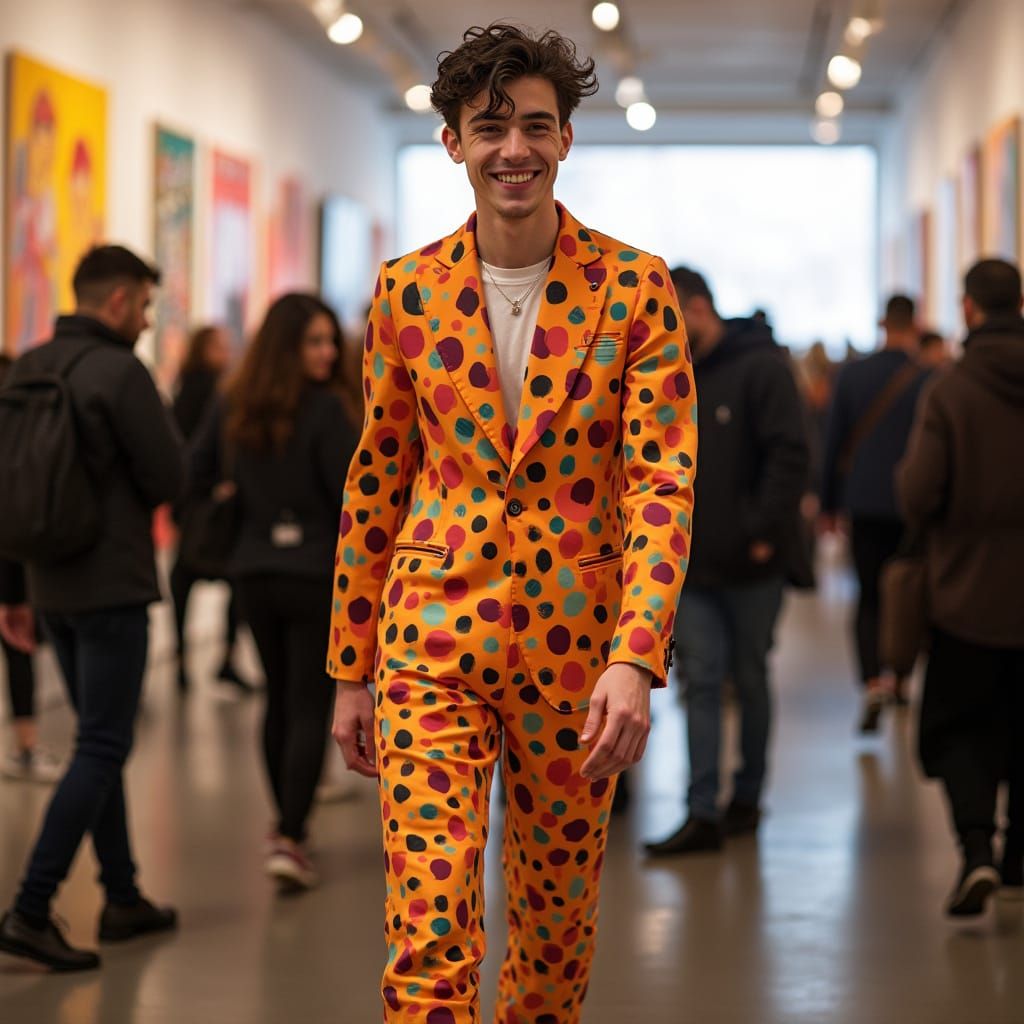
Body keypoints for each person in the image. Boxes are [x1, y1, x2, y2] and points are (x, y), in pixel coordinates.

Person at [327, 23, 697, 1024]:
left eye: (537, 126)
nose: (514, 149)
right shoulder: (405, 290)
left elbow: (662, 483)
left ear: (567, 139)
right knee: (431, 928)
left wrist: (635, 654)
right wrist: (350, 666)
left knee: (553, 926)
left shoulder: (635, 286)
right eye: (490, 127)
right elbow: (377, 481)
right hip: (428, 639)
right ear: (453, 141)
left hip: (578, 650)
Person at [0, 245, 184, 971]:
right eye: (142, 306)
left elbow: (10, 491)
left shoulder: (28, 367)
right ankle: (31, 906)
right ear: (116, 301)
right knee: (104, 744)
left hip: (49, 585)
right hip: (111, 584)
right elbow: (168, 474)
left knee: (92, 741)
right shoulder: (121, 372)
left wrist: (13, 593)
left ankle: (123, 895)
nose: (143, 320)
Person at [191, 294, 358, 891]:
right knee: (306, 704)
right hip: (313, 574)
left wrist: (234, 498)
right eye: (314, 341)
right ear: (287, 346)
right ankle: (290, 833)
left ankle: (285, 826)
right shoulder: (328, 411)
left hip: (254, 570)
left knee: (280, 701)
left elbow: (196, 474)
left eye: (329, 340)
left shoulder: (234, 405)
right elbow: (353, 498)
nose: (327, 352)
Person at [644, 268, 809, 857]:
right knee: (701, 682)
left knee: (751, 676)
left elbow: (790, 453)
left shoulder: (761, 367)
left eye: (673, 316)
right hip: (689, 565)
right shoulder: (668, 373)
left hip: (753, 564)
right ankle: (702, 810)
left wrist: (763, 530)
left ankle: (747, 797)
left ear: (699, 308)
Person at [897, 259, 1024, 917]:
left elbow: (918, 494)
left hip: (967, 593)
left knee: (962, 728)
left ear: (969, 309)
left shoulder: (949, 392)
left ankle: (977, 850)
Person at [819, 294, 930, 732]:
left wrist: (828, 503)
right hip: (911, 505)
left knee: (868, 596)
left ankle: (871, 683)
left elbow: (832, 444)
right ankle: (900, 679)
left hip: (863, 501)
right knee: (907, 592)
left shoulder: (852, 375)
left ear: (882, 323)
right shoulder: (927, 379)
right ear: (915, 325)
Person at [168, 324, 251, 696]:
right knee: (228, 584)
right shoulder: (215, 393)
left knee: (185, 583)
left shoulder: (199, 390)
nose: (228, 351)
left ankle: (185, 661)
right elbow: (194, 454)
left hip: (197, 508)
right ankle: (222, 659)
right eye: (220, 345)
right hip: (211, 510)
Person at [0, 354, 63, 784]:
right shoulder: (16, 438)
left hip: (12, 567)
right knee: (19, 649)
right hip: (12, 566)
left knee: (19, 652)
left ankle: (25, 746)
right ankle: (24, 745)